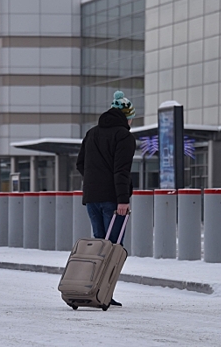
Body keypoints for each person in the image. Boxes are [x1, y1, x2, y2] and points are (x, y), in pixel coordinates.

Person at [76, 90, 136, 307]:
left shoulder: (92, 133)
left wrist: (95, 182)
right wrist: (123, 200)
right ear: (126, 116)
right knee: (113, 249)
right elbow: (122, 171)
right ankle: (104, 293)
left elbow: (80, 164)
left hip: (92, 199)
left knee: (99, 248)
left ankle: (93, 291)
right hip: (113, 201)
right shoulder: (124, 137)